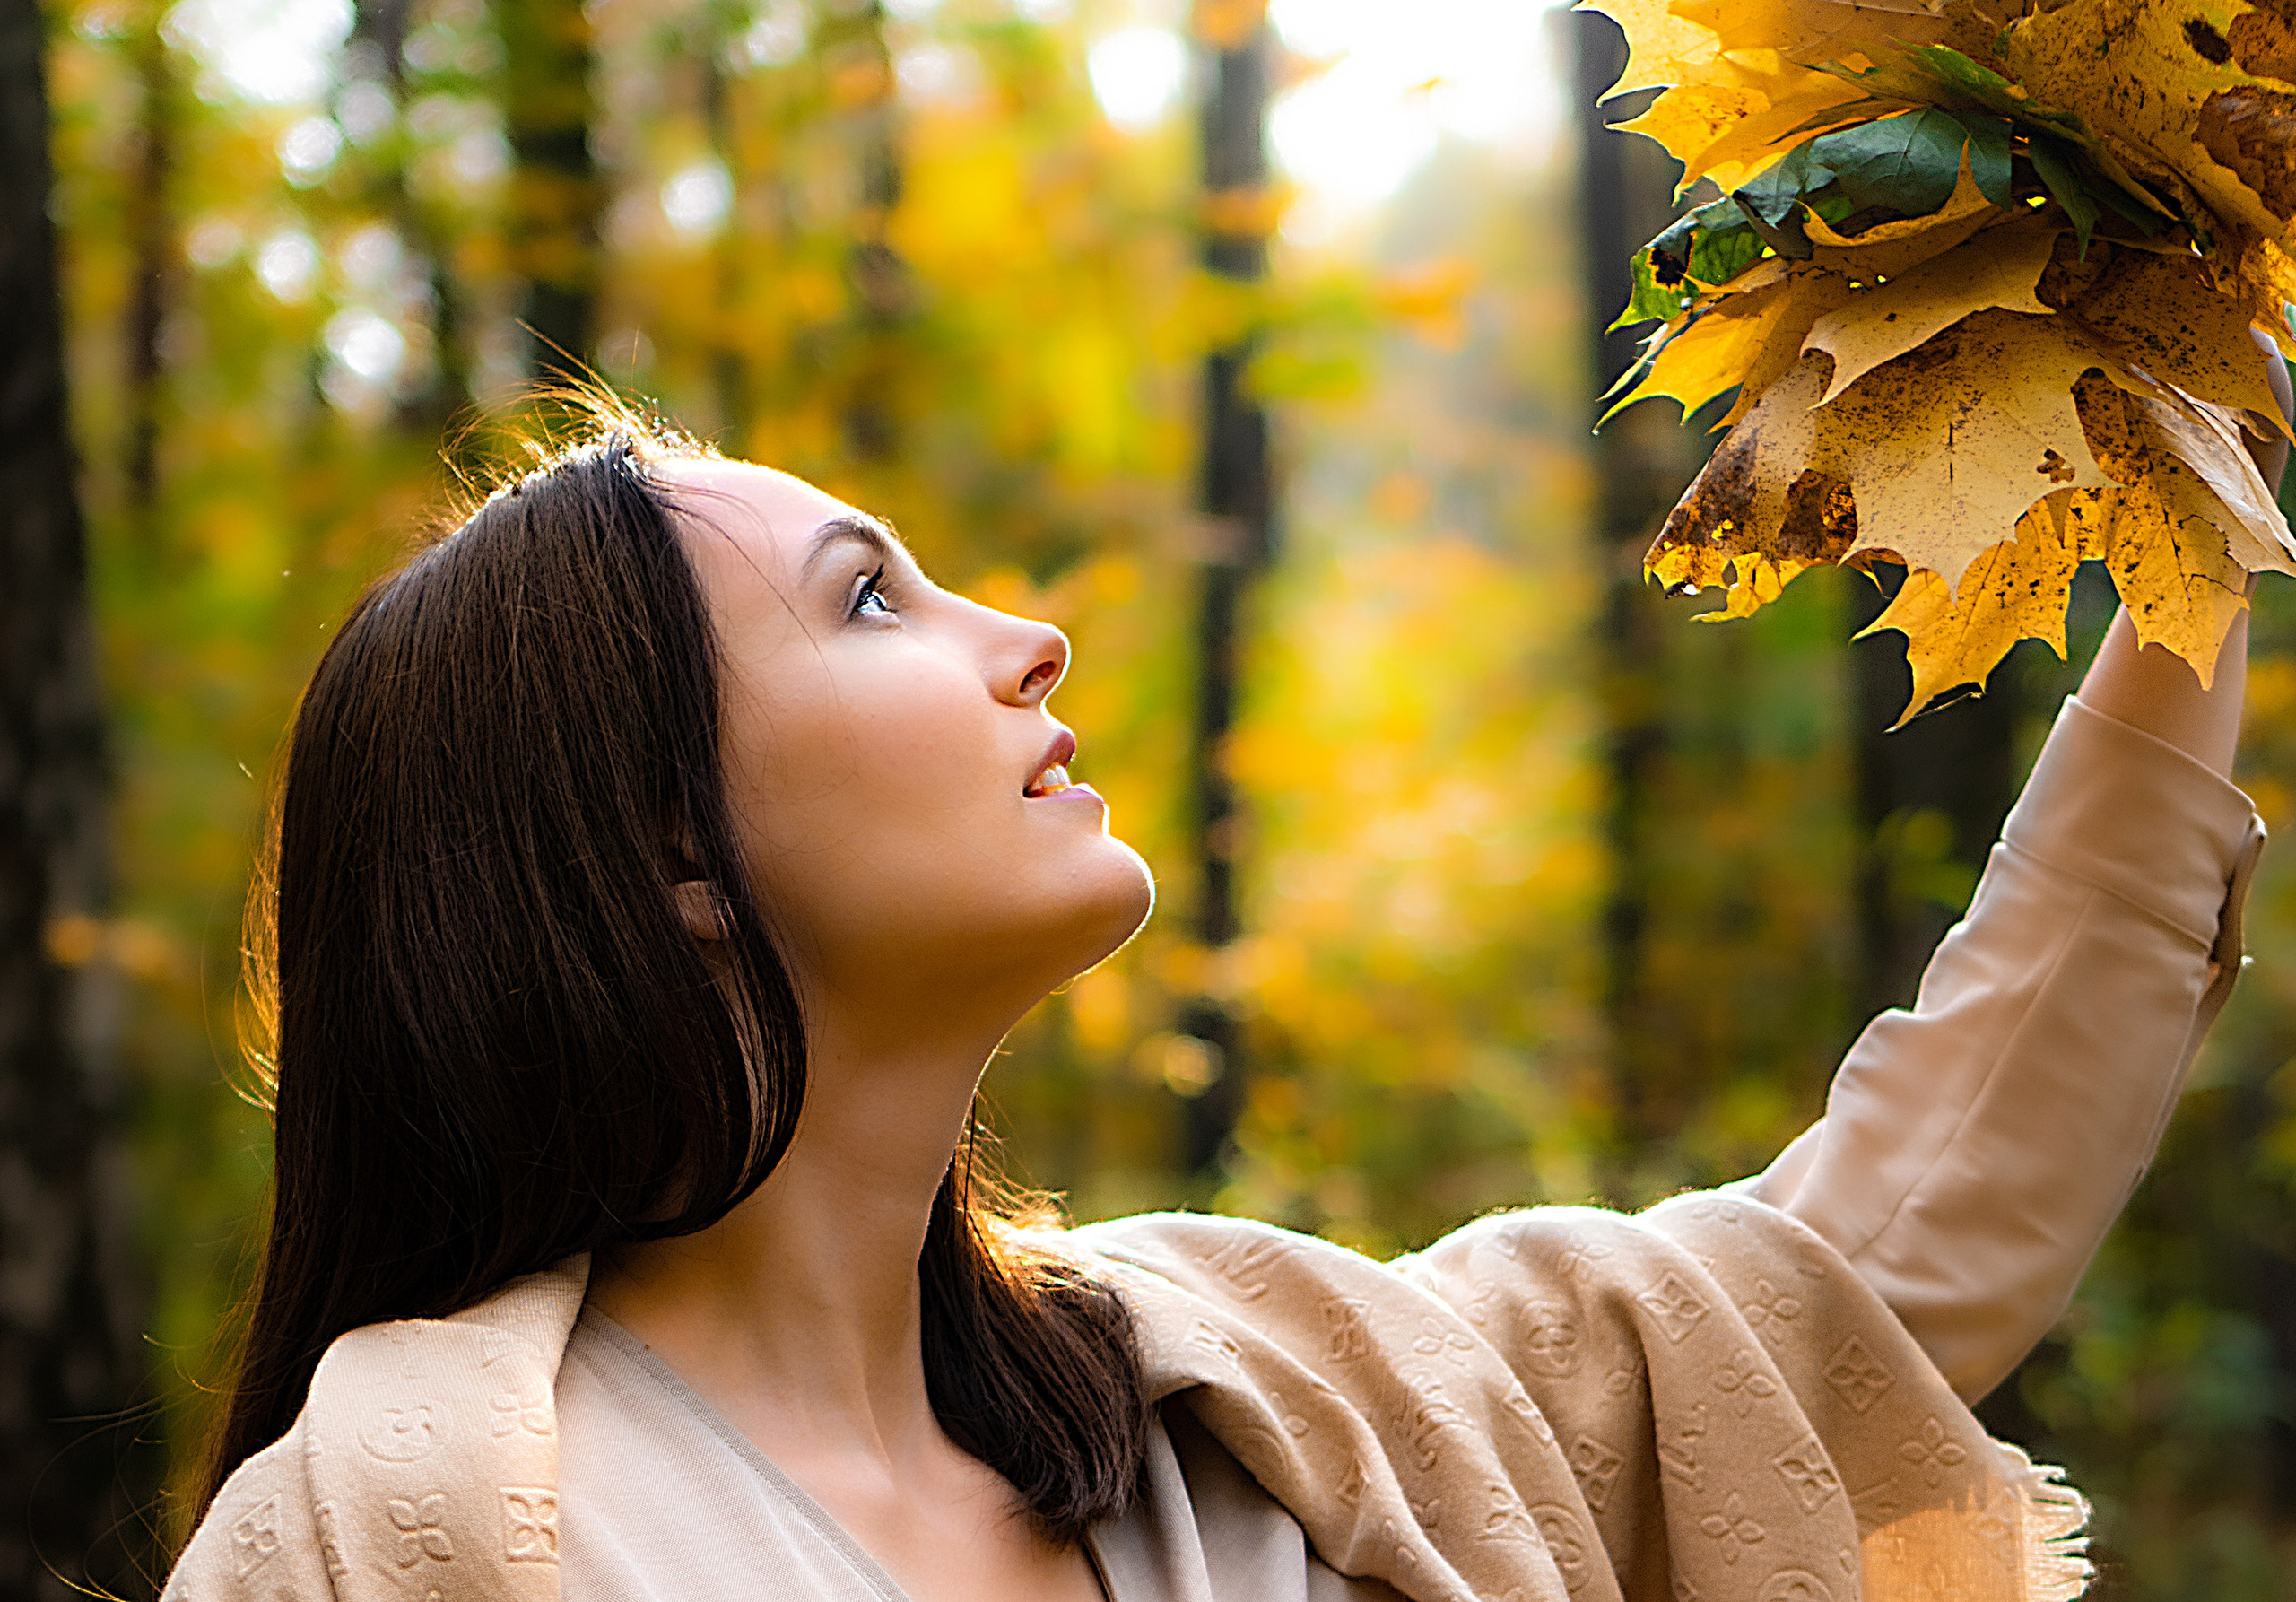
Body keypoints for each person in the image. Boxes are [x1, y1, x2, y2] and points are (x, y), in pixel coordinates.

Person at [162, 375, 2283, 1602]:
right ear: (665, 856)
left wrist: (2191, 498)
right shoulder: (379, 1544)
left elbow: (1873, 1260)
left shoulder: (1278, 1407)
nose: (1026, 638)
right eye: (870, 598)